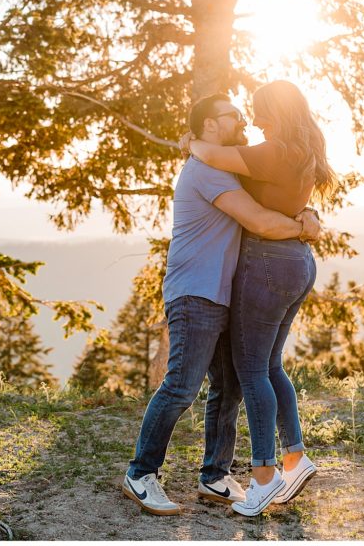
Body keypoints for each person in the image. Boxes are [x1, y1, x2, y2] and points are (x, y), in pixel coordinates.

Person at [122, 93, 321, 516]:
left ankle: (214, 476)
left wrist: (307, 209)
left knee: (228, 388)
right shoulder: (207, 169)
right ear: (210, 125)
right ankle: (141, 473)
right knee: (181, 385)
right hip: (196, 291)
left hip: (222, 292)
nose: (243, 119)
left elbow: (273, 193)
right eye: (232, 114)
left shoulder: (223, 163)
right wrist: (303, 227)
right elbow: (261, 220)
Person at [183, 80, 334, 517]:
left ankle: (264, 478)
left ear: (274, 110)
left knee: (250, 369)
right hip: (298, 262)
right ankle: (295, 456)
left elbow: (209, 154)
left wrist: (192, 139)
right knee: (269, 366)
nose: (252, 118)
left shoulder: (273, 151)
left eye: (256, 109)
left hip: (267, 263)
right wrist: (308, 222)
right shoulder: (304, 150)